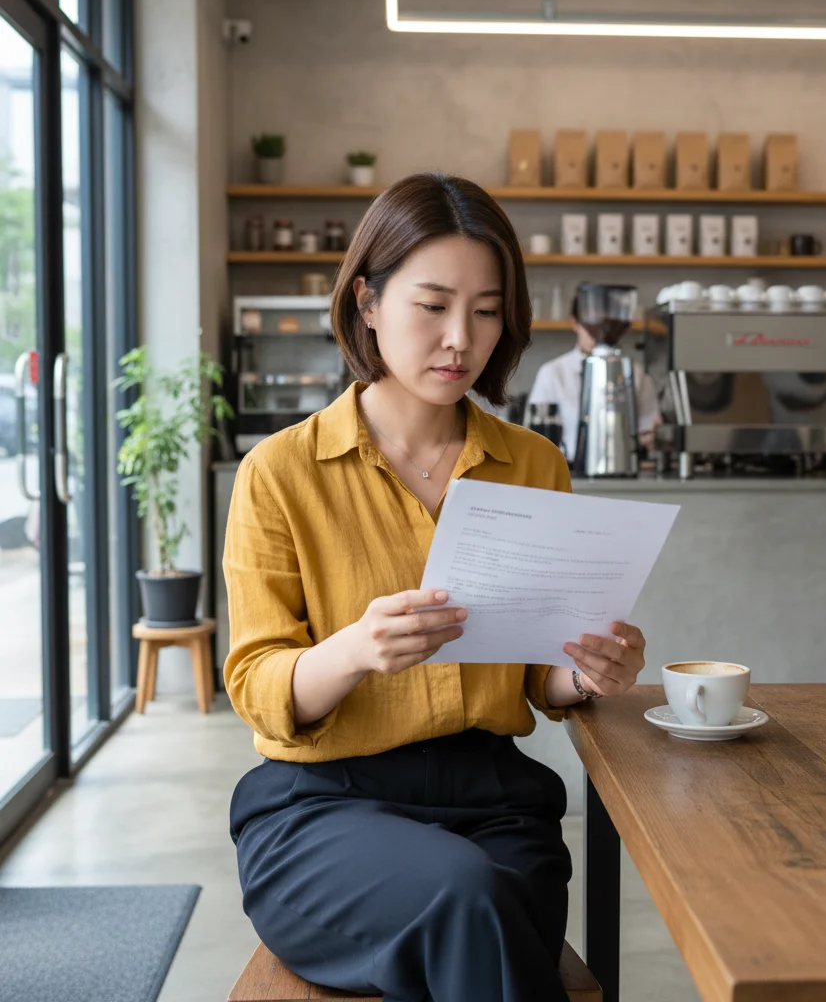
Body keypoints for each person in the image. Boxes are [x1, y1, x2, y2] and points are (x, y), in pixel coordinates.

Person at [223, 173, 648, 1002]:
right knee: (468, 900)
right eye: (433, 306)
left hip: (496, 806)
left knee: (481, 899)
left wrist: (590, 672)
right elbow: (257, 688)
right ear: (367, 302)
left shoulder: (532, 464)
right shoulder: (280, 472)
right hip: (322, 809)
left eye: (487, 311)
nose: (461, 339)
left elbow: (541, 674)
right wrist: (354, 650)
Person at [526, 312, 661, 462]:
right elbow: (536, 436)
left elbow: (648, 429)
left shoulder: (635, 373)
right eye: (592, 323)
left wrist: (650, 437)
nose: (598, 331)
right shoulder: (552, 372)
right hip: (566, 467)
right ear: (576, 322)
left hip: (625, 465)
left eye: (605, 323)